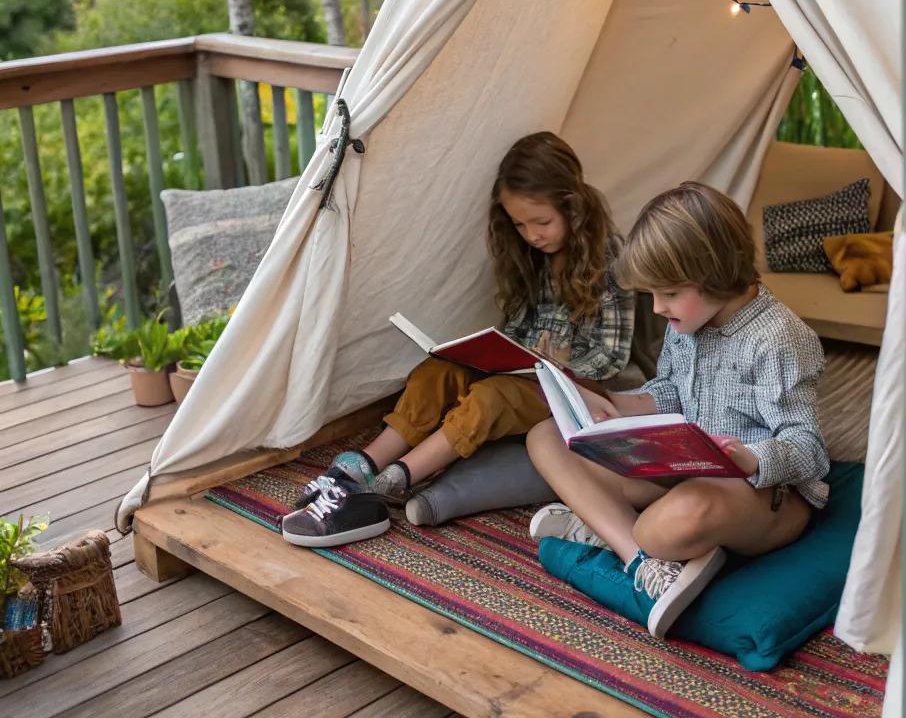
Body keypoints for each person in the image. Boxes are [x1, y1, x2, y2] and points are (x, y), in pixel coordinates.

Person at [281, 132, 635, 547]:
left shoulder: (608, 253)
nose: (531, 235)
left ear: (572, 207)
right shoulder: (533, 258)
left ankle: (388, 484)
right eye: (520, 225)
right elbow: (518, 329)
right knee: (438, 371)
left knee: (492, 397)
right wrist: (506, 352)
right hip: (526, 375)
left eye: (541, 222)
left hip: (573, 391)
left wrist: (560, 363)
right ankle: (358, 467)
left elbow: (613, 356)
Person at [526, 181, 829, 639]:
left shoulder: (779, 338)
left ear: (713, 274)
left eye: (667, 293)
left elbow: (809, 449)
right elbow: (668, 391)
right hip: (685, 466)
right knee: (545, 436)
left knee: (680, 515)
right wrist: (607, 405)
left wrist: (750, 458)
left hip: (764, 497)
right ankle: (641, 559)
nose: (657, 307)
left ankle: (611, 529)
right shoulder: (686, 321)